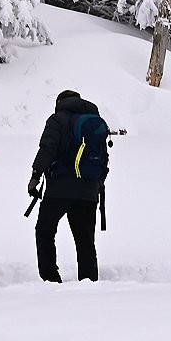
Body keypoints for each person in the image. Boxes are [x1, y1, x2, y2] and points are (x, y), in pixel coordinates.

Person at [29, 90, 107, 283]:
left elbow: (47, 148)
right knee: (85, 240)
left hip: (59, 189)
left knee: (45, 231)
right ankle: (89, 281)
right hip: (88, 191)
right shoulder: (94, 121)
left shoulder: (57, 120)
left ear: (60, 102)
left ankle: (50, 277)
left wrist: (36, 176)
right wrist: (97, 183)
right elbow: (104, 157)